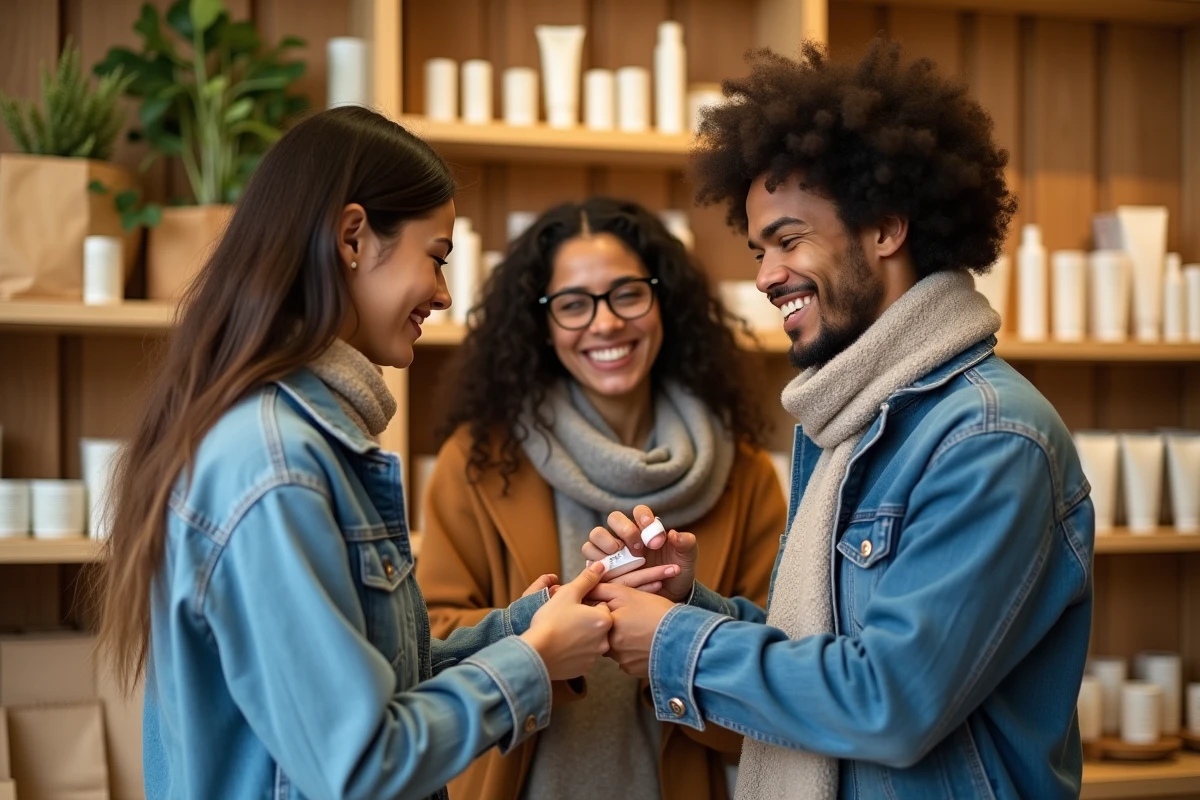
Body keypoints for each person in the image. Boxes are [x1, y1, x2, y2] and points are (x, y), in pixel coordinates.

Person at [587, 39, 1095, 800]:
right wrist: (685, 604)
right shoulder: (855, 418)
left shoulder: (989, 439)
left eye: (789, 240)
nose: (764, 277)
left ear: (886, 229)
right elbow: (830, 652)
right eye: (758, 249)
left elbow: (889, 701)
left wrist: (673, 643)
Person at [95, 107, 628, 800]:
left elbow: (365, 680)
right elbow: (359, 760)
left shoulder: (294, 445)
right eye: (435, 258)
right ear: (353, 237)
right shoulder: (275, 466)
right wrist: (531, 659)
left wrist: (522, 629)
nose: (441, 294)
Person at [416, 197, 788, 800]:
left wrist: (675, 628)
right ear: (540, 324)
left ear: (663, 302)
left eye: (628, 294)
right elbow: (428, 650)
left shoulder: (744, 474)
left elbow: (779, 681)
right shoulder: (477, 461)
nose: (606, 323)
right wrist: (545, 638)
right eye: (572, 304)